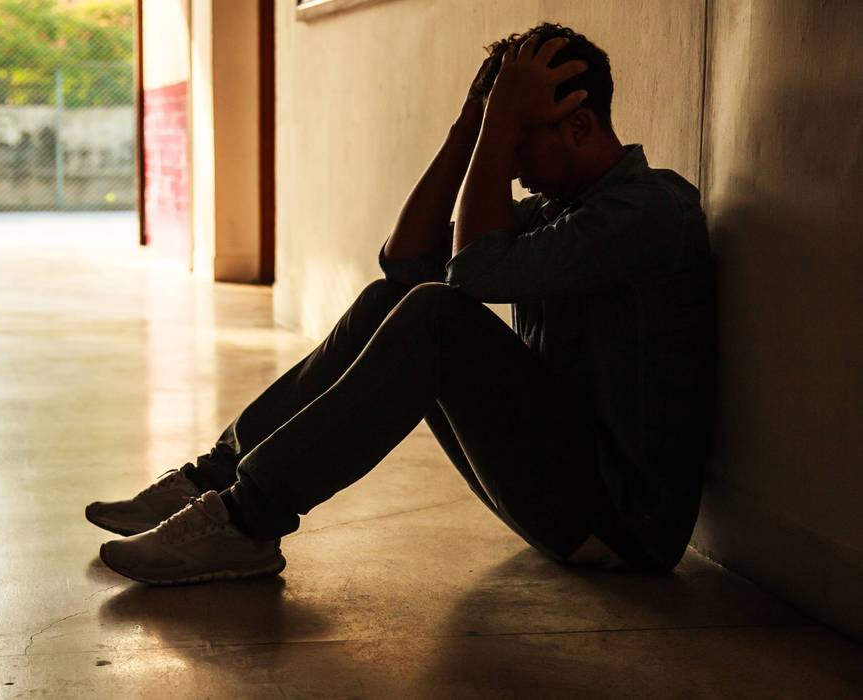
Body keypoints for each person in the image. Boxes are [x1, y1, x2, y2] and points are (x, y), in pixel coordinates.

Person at [86, 22, 715, 585]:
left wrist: (498, 124)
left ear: (577, 126)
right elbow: (406, 261)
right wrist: (470, 126)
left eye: (516, 145)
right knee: (393, 297)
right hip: (566, 490)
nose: (508, 169)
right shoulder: (564, 211)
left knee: (436, 314)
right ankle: (214, 479)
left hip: (621, 524)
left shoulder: (648, 212)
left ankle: (246, 521)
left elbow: (472, 272)